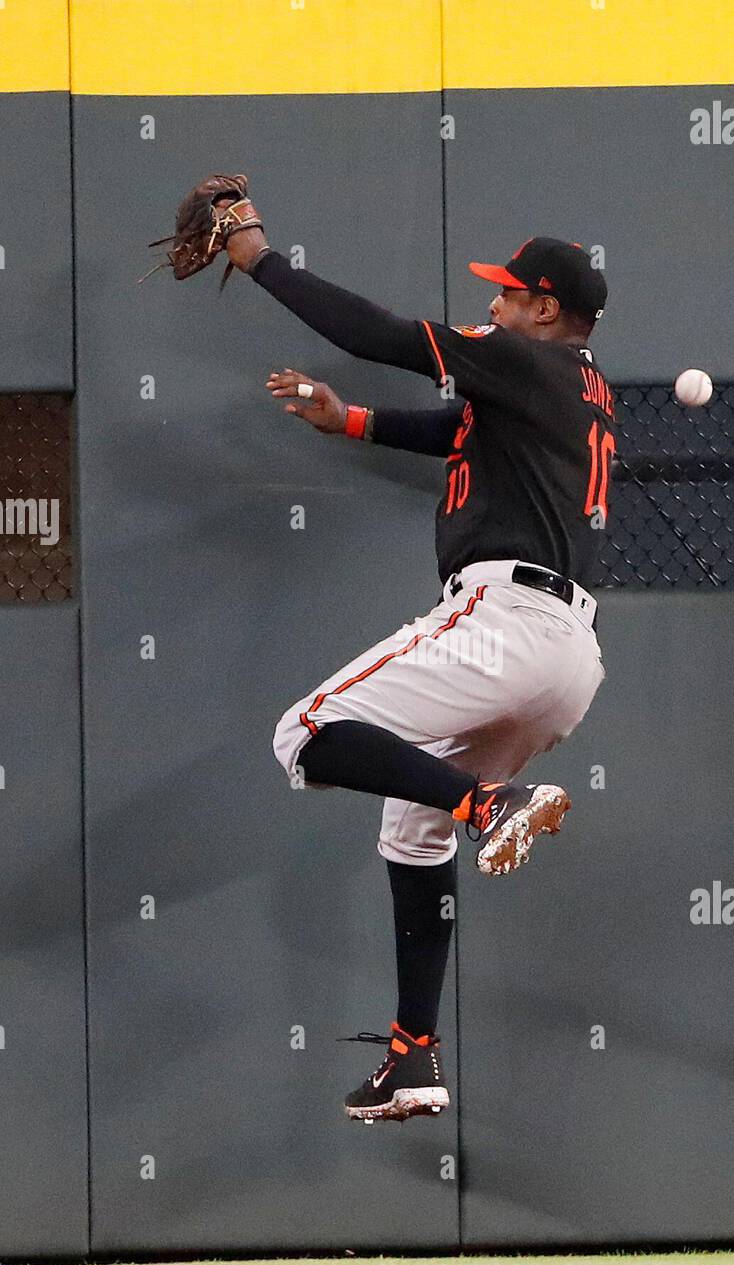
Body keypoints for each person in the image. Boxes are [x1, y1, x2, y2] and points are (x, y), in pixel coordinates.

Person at [222, 215, 615, 1123]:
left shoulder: (523, 359)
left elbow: (378, 336)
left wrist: (258, 260)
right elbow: (466, 438)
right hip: (567, 660)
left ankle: (491, 806)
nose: (492, 300)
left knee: (305, 729)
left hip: (503, 621)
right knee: (410, 833)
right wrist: (352, 420)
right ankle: (412, 1058)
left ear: (545, 307)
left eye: (508, 292)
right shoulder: (582, 385)